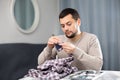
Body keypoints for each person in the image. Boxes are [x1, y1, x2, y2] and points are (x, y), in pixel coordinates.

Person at [38, 8, 103, 71]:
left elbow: (97, 66)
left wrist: (75, 51)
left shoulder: (91, 39)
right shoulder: (59, 40)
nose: (65, 28)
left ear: (78, 22)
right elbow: (41, 64)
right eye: (63, 26)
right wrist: (48, 48)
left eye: (69, 24)